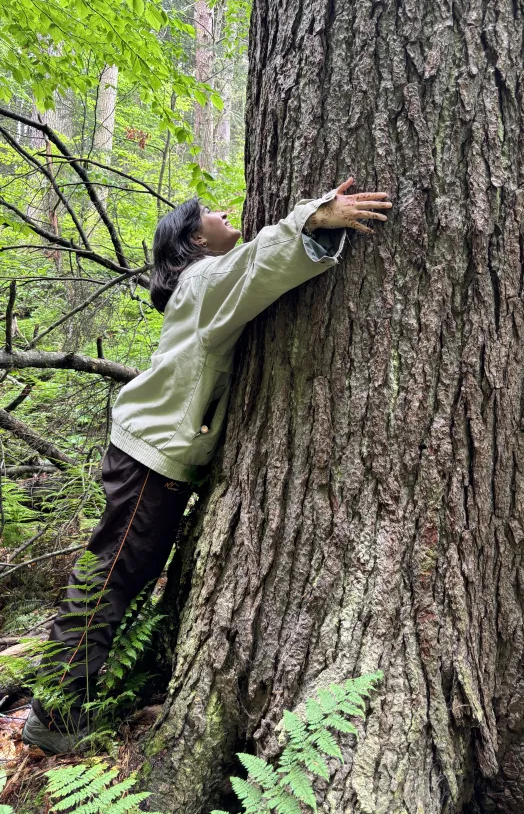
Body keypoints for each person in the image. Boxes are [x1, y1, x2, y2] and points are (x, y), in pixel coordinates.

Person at [20, 176, 392, 754]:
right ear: (194, 238)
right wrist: (313, 217)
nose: (225, 212)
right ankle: (56, 717)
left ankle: (72, 703)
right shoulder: (201, 281)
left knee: (120, 578)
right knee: (108, 580)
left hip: (152, 456)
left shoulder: (197, 286)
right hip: (150, 459)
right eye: (211, 212)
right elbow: (255, 268)